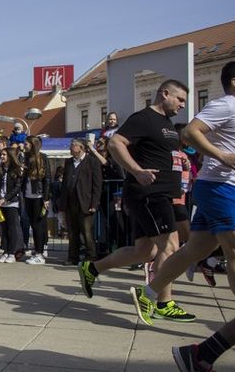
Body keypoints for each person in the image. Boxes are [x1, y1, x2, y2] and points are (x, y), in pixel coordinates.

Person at [131, 62, 235, 324]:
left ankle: (149, 292)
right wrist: (221, 155)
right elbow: (190, 133)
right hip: (220, 186)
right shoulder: (226, 105)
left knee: (195, 249)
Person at [77, 79, 194, 322]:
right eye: (180, 99)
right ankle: (161, 302)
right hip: (150, 193)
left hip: (163, 194)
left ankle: (93, 268)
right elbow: (115, 143)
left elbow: (157, 151)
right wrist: (137, 171)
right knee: (169, 246)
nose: (183, 105)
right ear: (165, 94)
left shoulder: (166, 123)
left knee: (144, 251)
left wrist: (178, 157)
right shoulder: (144, 118)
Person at [60, 138, 102, 265]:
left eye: (73, 145)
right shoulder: (68, 162)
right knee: (72, 232)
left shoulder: (92, 162)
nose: (70, 148)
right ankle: (73, 257)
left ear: (81, 148)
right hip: (70, 202)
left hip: (85, 202)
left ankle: (91, 257)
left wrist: (94, 204)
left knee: (86, 232)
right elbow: (65, 183)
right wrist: (62, 204)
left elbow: (97, 184)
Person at [0, 147, 25, 263]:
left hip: (11, 203)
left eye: (4, 154)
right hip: (0, 204)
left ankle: (12, 253)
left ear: (10, 156)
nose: (2, 156)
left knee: (12, 228)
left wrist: (5, 199)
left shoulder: (16, 170)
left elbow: (17, 188)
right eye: (1, 154)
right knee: (3, 229)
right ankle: (5, 251)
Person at [22, 136, 51, 265]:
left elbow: (47, 179)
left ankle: (40, 253)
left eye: (26, 144)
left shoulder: (42, 157)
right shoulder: (25, 157)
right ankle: (37, 250)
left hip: (39, 196)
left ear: (33, 145)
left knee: (38, 224)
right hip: (28, 195)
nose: (24, 146)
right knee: (33, 224)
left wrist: (46, 197)